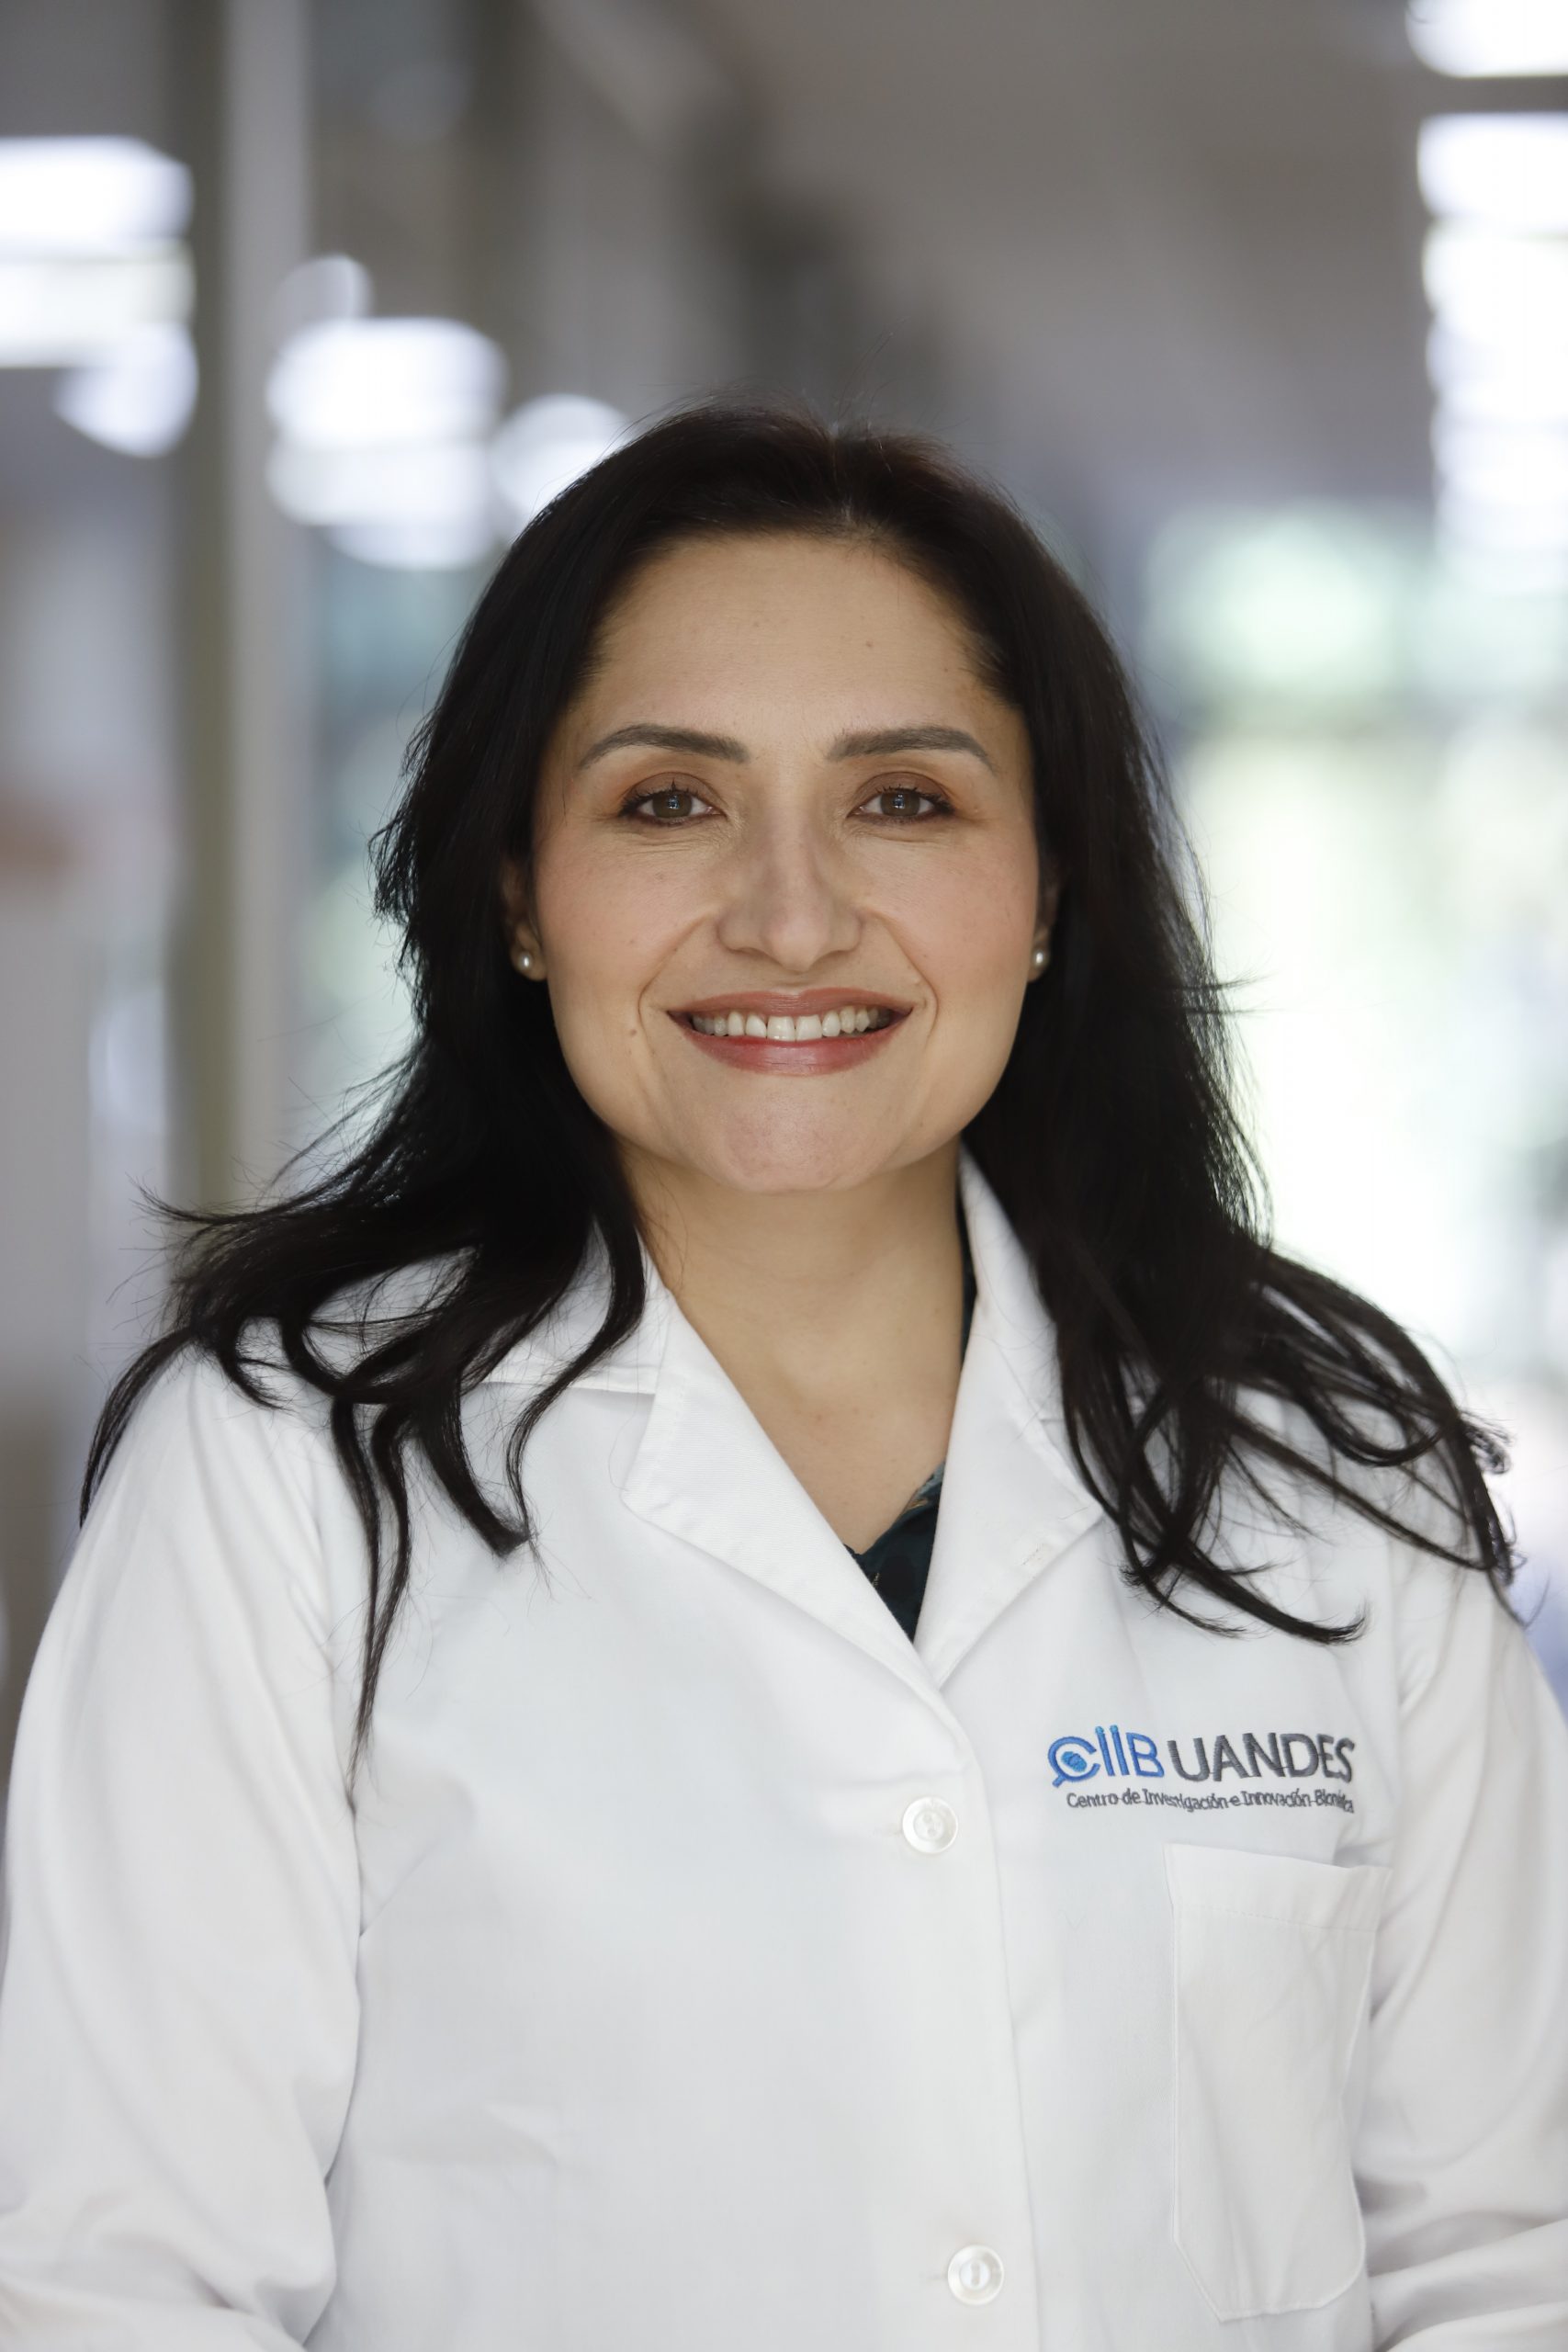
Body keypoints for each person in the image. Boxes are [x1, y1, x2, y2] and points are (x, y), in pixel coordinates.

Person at [0, 403, 1562, 2351]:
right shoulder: (289, 1473)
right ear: (516, 889)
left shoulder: (1328, 1483)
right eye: (669, 802)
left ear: (1049, 887)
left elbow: (1507, 2260)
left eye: (902, 800)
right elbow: (124, 2288)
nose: (792, 916)